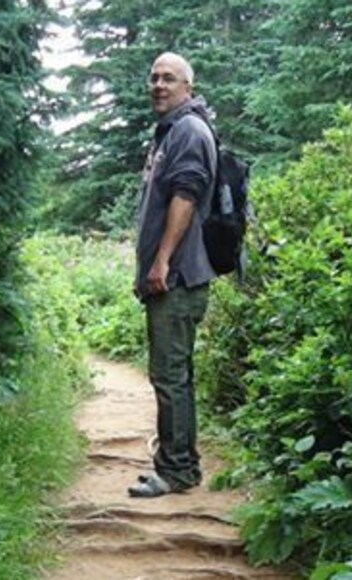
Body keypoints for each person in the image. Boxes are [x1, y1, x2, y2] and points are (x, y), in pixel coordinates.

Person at [128, 52, 217, 498]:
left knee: (170, 375)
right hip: (173, 277)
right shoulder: (171, 131)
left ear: (187, 86)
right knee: (174, 374)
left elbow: (187, 195)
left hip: (178, 277)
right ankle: (180, 463)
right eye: (154, 78)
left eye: (169, 79)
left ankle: (177, 470)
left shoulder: (187, 130)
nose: (159, 85)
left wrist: (161, 261)